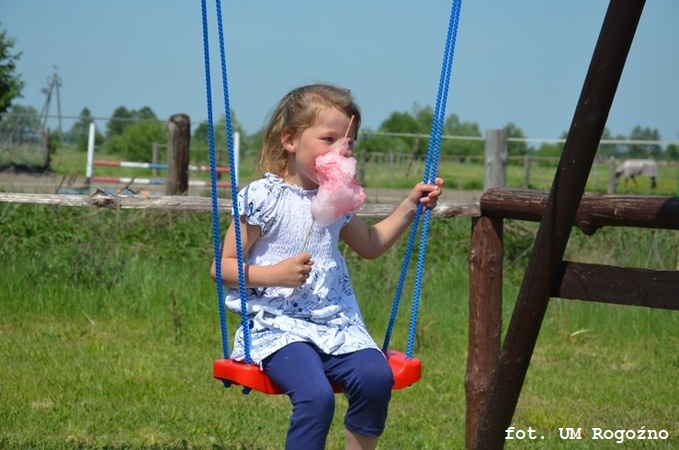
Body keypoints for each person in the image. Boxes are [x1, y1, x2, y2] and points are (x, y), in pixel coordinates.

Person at [211, 83, 444, 450]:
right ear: (290, 140)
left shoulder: (335, 199)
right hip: (277, 328)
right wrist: (273, 275)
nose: (341, 150)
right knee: (316, 397)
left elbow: (370, 244)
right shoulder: (264, 198)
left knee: (376, 377)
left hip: (336, 324)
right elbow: (222, 267)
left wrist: (410, 206)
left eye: (347, 143)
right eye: (329, 139)